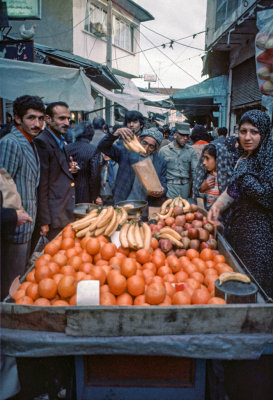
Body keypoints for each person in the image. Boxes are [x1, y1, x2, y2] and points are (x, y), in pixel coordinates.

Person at [208, 110, 273, 298]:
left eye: (254, 132)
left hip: (259, 237)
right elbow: (234, 189)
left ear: (264, 133)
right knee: (238, 277)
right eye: (243, 131)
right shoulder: (245, 157)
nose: (247, 137)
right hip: (240, 230)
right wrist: (218, 205)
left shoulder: (268, 159)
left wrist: (244, 174)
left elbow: (266, 195)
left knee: (254, 286)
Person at [0, 95, 45, 296]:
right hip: (13, 227)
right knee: (11, 285)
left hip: (26, 224)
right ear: (17, 118)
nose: (37, 124)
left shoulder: (31, 142)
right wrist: (13, 216)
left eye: (41, 118)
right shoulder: (11, 142)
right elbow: (3, 183)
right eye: (31, 118)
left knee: (17, 280)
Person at [34, 101, 78, 241]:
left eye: (67, 119)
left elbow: (58, 172)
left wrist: (71, 169)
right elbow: (42, 185)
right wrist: (44, 220)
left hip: (63, 211)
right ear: (48, 119)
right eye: (61, 118)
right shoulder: (43, 142)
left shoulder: (59, 140)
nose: (66, 122)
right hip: (53, 216)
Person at [97, 126, 167, 206]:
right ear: (139, 140)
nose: (146, 148)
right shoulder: (126, 153)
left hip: (146, 207)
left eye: (151, 146)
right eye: (144, 143)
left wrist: (162, 190)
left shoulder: (160, 162)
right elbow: (102, 147)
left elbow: (163, 183)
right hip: (123, 203)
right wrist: (115, 134)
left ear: (156, 149)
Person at [159, 122, 198, 199]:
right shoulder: (164, 151)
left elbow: (195, 172)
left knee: (185, 209)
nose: (186, 138)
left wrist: (196, 189)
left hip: (186, 188)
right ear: (175, 135)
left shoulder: (191, 151)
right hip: (170, 187)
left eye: (187, 135)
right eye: (182, 135)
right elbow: (159, 172)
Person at [193, 142, 233, 209]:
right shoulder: (204, 176)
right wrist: (202, 189)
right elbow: (199, 204)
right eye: (204, 158)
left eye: (207, 158)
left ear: (218, 159)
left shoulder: (228, 180)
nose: (204, 162)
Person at [66, 122, 98, 203]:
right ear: (91, 135)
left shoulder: (66, 148)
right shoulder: (93, 150)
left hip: (67, 192)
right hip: (86, 193)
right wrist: (95, 195)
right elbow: (94, 175)